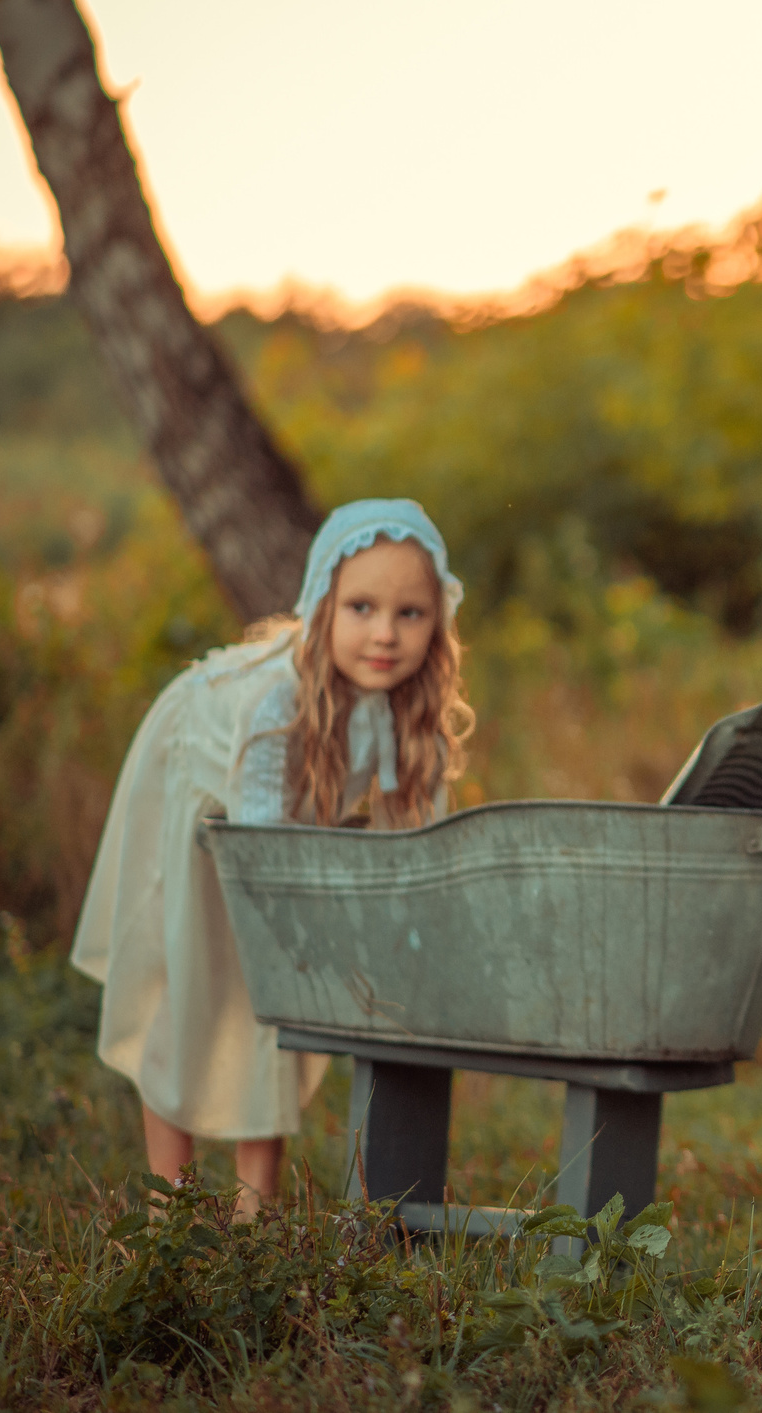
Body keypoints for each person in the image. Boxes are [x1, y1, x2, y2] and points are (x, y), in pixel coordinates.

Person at [71, 499, 474, 1215]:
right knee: (191, 984)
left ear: (437, 620)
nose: (384, 634)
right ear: (322, 605)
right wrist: (303, 940)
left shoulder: (412, 709)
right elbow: (263, 854)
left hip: (275, 826)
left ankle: (255, 1211)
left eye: (410, 613)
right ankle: (174, 1207)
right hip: (196, 788)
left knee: (271, 1015)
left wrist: (405, 940)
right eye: (361, 606)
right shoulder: (275, 701)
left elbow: (414, 847)